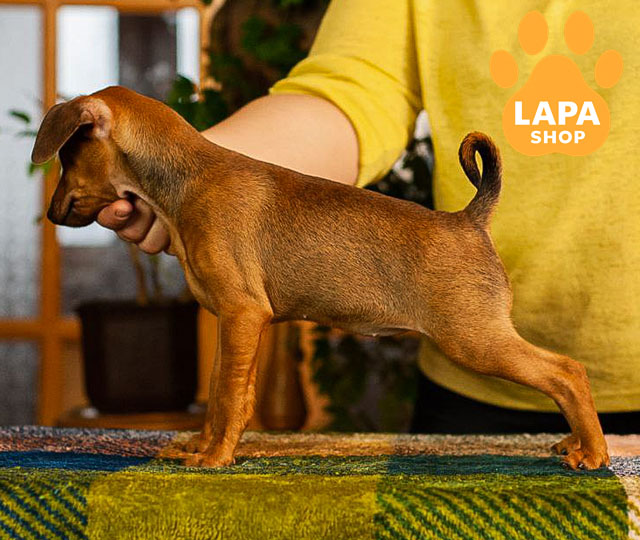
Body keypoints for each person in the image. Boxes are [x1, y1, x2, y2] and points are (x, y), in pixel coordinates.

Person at [97, 0, 640, 434]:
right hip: (472, 398)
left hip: (481, 320)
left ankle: (566, 387)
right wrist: (192, 175)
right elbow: (349, 95)